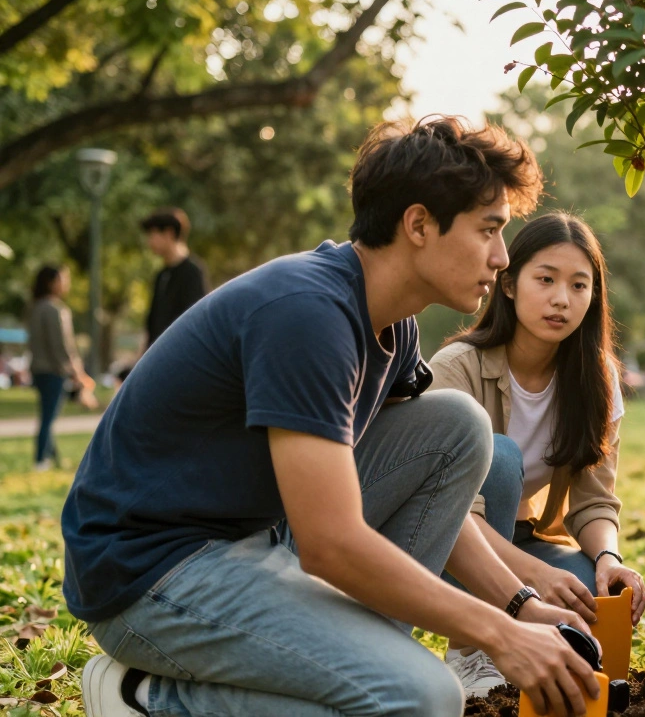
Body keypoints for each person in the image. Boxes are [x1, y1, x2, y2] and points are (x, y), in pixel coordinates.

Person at [65, 116, 603, 717]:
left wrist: (519, 606)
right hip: (150, 574)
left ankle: (356, 665)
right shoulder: (309, 315)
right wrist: (500, 637)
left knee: (457, 426)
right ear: (419, 224)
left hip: (254, 540)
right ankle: (146, 698)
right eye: (489, 230)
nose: (502, 257)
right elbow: (330, 544)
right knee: (423, 698)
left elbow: (432, 499)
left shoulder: (391, 324)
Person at [428, 212, 645, 696]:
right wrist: (532, 576)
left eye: (578, 285)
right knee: (500, 457)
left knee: (590, 592)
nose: (561, 299)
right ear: (509, 285)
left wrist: (609, 558)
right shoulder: (455, 370)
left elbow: (593, 498)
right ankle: (470, 649)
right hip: (445, 540)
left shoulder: (597, 379)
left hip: (518, 538)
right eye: (545, 279)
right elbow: (452, 514)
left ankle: (522, 631)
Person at [26, 265, 97, 470]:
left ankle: (52, 458)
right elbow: (63, 346)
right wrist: (76, 372)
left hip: (38, 370)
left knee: (47, 414)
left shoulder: (34, 308)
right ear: (51, 282)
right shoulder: (56, 310)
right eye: (63, 279)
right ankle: (41, 460)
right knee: (49, 417)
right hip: (54, 370)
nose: (66, 283)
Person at [140, 207, 208, 348]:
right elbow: (152, 323)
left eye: (153, 235)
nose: (150, 242)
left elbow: (195, 321)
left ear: (169, 233)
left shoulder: (192, 272)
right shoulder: (161, 275)